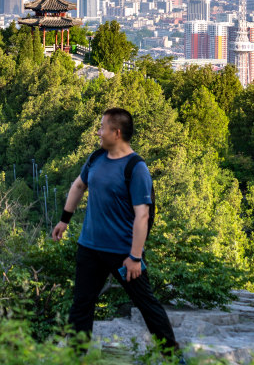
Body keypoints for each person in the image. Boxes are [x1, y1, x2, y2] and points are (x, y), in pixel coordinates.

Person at [52, 107, 180, 355]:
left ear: (117, 133)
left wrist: (135, 256)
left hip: (123, 253)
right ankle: (76, 357)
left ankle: (174, 358)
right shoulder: (96, 158)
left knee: (147, 305)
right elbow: (78, 185)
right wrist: (64, 220)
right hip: (90, 247)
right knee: (82, 305)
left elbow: (143, 215)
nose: (98, 132)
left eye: (102, 128)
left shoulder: (136, 168)